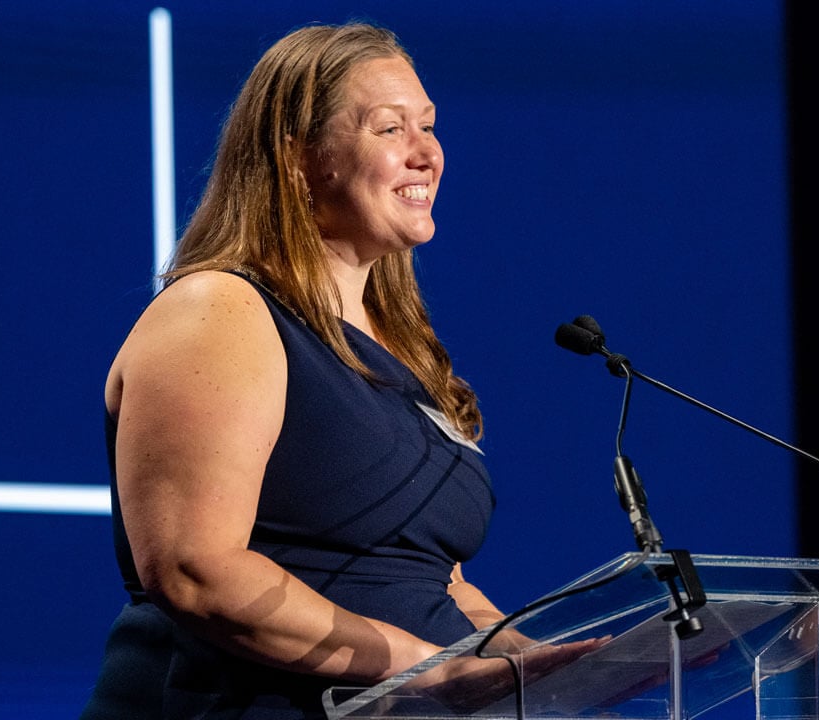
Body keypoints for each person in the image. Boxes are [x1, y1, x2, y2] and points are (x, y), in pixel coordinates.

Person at [81, 22, 563, 719]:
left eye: (428, 127)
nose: (427, 153)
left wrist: (525, 660)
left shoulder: (401, 351)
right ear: (300, 157)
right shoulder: (221, 312)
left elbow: (431, 575)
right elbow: (194, 570)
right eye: (390, 128)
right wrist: (417, 664)